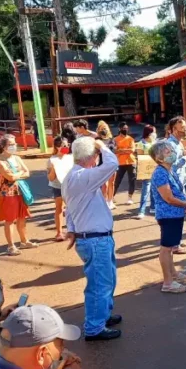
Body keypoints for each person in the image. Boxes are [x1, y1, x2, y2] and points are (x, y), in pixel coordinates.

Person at [62, 137, 122, 342]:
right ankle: (95, 327)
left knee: (106, 280)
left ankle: (102, 315)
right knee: (100, 284)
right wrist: (102, 146)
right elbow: (113, 164)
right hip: (95, 240)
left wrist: (71, 230)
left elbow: (69, 210)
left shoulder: (73, 176)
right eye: (96, 154)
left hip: (94, 238)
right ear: (93, 156)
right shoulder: (83, 176)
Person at [149, 139, 186, 294]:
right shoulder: (160, 173)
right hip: (168, 215)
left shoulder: (169, 170)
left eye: (171, 150)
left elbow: (177, 191)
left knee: (169, 248)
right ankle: (168, 282)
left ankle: (173, 274)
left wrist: (185, 201)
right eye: (167, 152)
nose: (172, 153)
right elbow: (168, 197)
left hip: (174, 214)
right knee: (166, 248)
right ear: (159, 157)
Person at [0, 135, 34, 256]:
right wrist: (19, 173)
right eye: (10, 144)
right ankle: (11, 246)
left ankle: (24, 241)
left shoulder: (16, 158)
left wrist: (17, 174)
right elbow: (10, 177)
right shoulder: (0, 161)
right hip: (8, 193)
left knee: (22, 217)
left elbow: (27, 172)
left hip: (20, 191)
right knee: (10, 219)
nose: (14, 146)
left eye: (14, 143)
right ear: (3, 147)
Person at [166, 116, 186, 206]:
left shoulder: (179, 142)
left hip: (182, 179)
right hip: (175, 183)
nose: (185, 129)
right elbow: (171, 166)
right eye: (182, 128)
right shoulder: (170, 144)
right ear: (174, 129)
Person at [46, 136, 70, 241]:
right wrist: (54, 169)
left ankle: (73, 230)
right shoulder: (52, 160)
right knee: (59, 208)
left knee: (73, 208)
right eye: (63, 146)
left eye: (67, 145)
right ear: (57, 147)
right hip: (58, 186)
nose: (66, 147)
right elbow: (50, 178)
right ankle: (59, 232)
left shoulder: (70, 158)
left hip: (70, 186)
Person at [135, 125, 158, 219]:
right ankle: (141, 211)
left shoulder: (155, 143)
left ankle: (153, 207)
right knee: (145, 190)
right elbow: (140, 158)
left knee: (154, 189)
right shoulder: (141, 144)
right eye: (154, 132)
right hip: (147, 170)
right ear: (149, 133)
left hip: (156, 169)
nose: (155, 134)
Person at [113, 122, 137, 205]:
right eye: (124, 128)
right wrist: (126, 150)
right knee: (117, 181)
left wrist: (121, 150)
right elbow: (114, 150)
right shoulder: (115, 139)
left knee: (132, 180)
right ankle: (111, 197)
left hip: (131, 161)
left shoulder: (130, 139)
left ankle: (130, 197)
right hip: (120, 162)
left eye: (127, 128)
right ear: (120, 129)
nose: (125, 130)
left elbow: (132, 150)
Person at [96, 121, 117, 209]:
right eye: (101, 128)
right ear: (98, 130)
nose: (103, 130)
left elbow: (114, 149)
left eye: (105, 128)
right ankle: (104, 201)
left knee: (111, 183)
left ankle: (110, 200)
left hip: (111, 163)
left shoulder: (112, 139)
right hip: (102, 163)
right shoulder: (97, 140)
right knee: (104, 184)